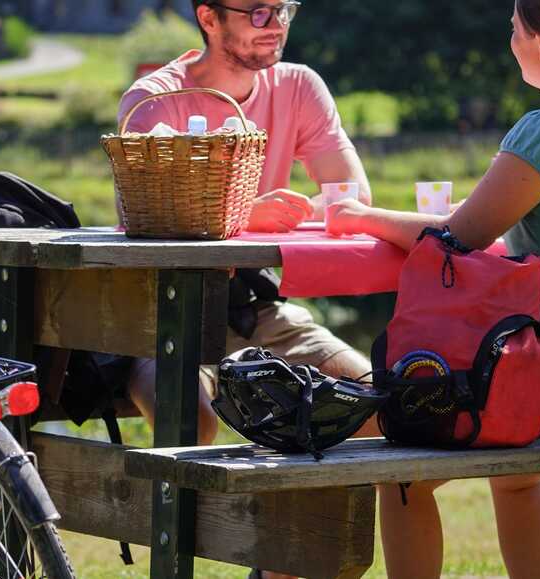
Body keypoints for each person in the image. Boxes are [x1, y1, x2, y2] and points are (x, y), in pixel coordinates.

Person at [326, 0, 540, 577]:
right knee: (515, 478)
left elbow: (455, 237)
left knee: (404, 473)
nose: (508, 38)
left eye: (515, 28)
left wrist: (361, 217)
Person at [117, 0, 379, 487]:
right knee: (191, 422)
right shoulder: (154, 100)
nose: (275, 26)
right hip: (164, 315)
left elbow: (352, 195)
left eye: (283, 11)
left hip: (255, 309)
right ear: (209, 18)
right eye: (258, 13)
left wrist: (280, 212)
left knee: (368, 403)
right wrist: (243, 212)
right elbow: (142, 211)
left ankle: (279, 562)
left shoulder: (299, 86)